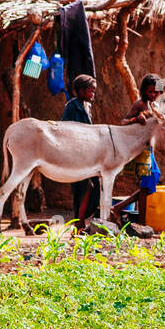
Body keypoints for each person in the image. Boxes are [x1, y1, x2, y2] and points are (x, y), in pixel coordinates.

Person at [113, 73, 165, 223]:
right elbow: (123, 122)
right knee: (148, 182)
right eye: (150, 91)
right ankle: (142, 222)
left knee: (150, 182)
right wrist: (136, 119)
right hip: (139, 149)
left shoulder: (156, 105)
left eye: (156, 92)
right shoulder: (139, 104)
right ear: (144, 91)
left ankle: (118, 208)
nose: (153, 94)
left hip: (149, 149)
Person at [62, 74, 100, 223]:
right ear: (81, 91)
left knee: (92, 187)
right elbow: (66, 130)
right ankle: (79, 223)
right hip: (77, 155)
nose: (93, 94)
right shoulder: (72, 107)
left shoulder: (86, 106)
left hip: (88, 155)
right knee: (83, 188)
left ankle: (81, 221)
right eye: (91, 91)